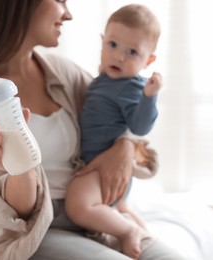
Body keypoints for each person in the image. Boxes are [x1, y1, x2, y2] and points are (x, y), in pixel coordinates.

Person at [0, 0, 185, 259]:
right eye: (60, 1)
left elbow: (120, 106)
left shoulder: (63, 73)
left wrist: (124, 145)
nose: (68, 14)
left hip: (97, 221)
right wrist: (21, 169)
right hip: (36, 233)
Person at [65, 4, 162, 259]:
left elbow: (140, 127)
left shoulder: (133, 88)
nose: (119, 56)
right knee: (120, 207)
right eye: (112, 45)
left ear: (148, 60)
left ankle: (128, 231)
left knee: (78, 205)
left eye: (132, 52)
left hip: (102, 168)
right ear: (102, 42)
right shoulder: (109, 79)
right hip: (104, 166)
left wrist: (149, 96)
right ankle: (140, 228)